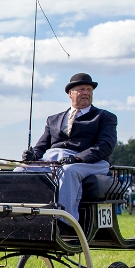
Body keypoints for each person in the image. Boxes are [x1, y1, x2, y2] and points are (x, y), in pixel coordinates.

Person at [21, 73, 117, 231]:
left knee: (68, 171)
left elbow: (105, 146)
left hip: (91, 162)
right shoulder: (53, 119)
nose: (86, 92)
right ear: (70, 93)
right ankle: (21, 217)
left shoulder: (104, 117)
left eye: (89, 89)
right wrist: (33, 156)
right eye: (81, 89)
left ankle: (65, 223)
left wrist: (78, 158)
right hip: (56, 160)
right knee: (21, 170)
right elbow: (41, 146)